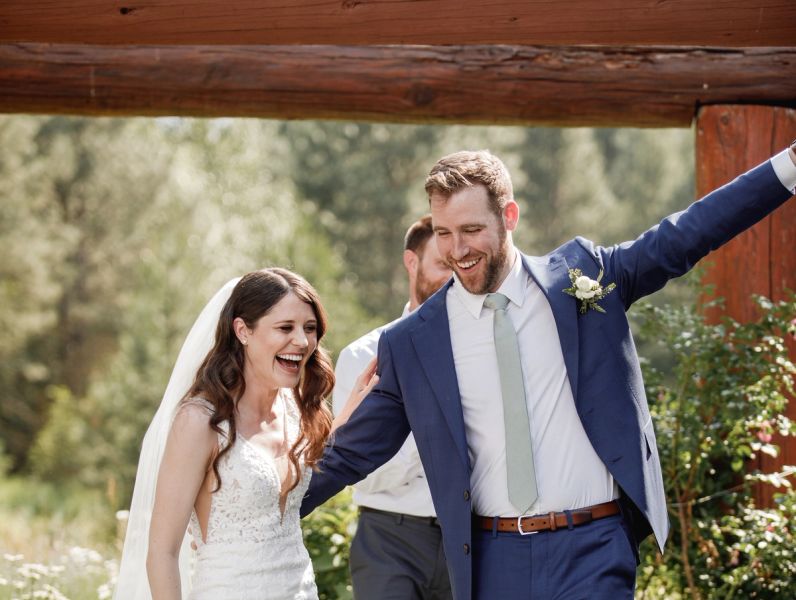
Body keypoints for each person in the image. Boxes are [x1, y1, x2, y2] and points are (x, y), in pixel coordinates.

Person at [301, 143, 796, 599]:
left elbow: (684, 235)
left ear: (509, 215)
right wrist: (259, 509)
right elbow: (349, 456)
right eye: (445, 233)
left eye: (472, 230)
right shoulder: (411, 341)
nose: (458, 249)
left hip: (593, 546)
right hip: (494, 558)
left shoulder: (583, 279)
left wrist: (788, 166)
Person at [115, 268, 377, 600]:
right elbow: (162, 552)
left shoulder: (296, 409)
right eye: (285, 327)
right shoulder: (200, 421)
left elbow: (305, 474)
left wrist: (348, 416)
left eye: (309, 329)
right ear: (242, 331)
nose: (302, 341)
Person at [332, 214, 452, 600]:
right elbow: (357, 472)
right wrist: (431, 434)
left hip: (467, 540)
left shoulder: (481, 354)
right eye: (442, 265)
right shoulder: (363, 356)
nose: (454, 280)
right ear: (411, 262)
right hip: (389, 541)